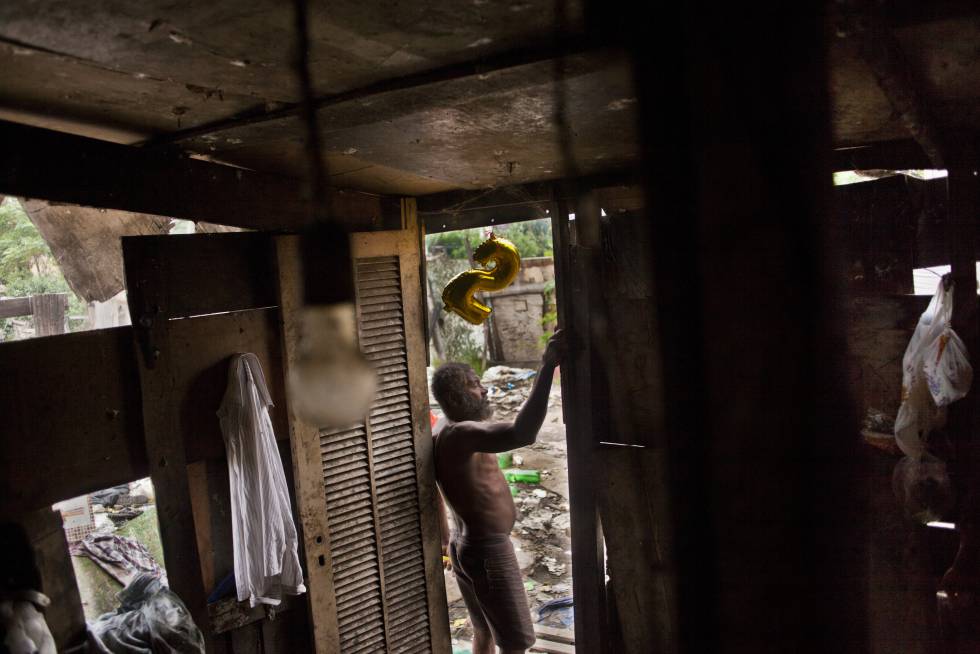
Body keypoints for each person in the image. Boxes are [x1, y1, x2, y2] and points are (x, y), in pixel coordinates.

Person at [431, 330, 565, 654]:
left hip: (466, 546)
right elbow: (524, 432)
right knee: (516, 643)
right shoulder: (461, 433)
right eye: (475, 385)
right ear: (456, 395)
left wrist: (444, 535)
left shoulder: (441, 430)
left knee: (484, 632)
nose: (485, 389)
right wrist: (547, 366)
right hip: (487, 550)